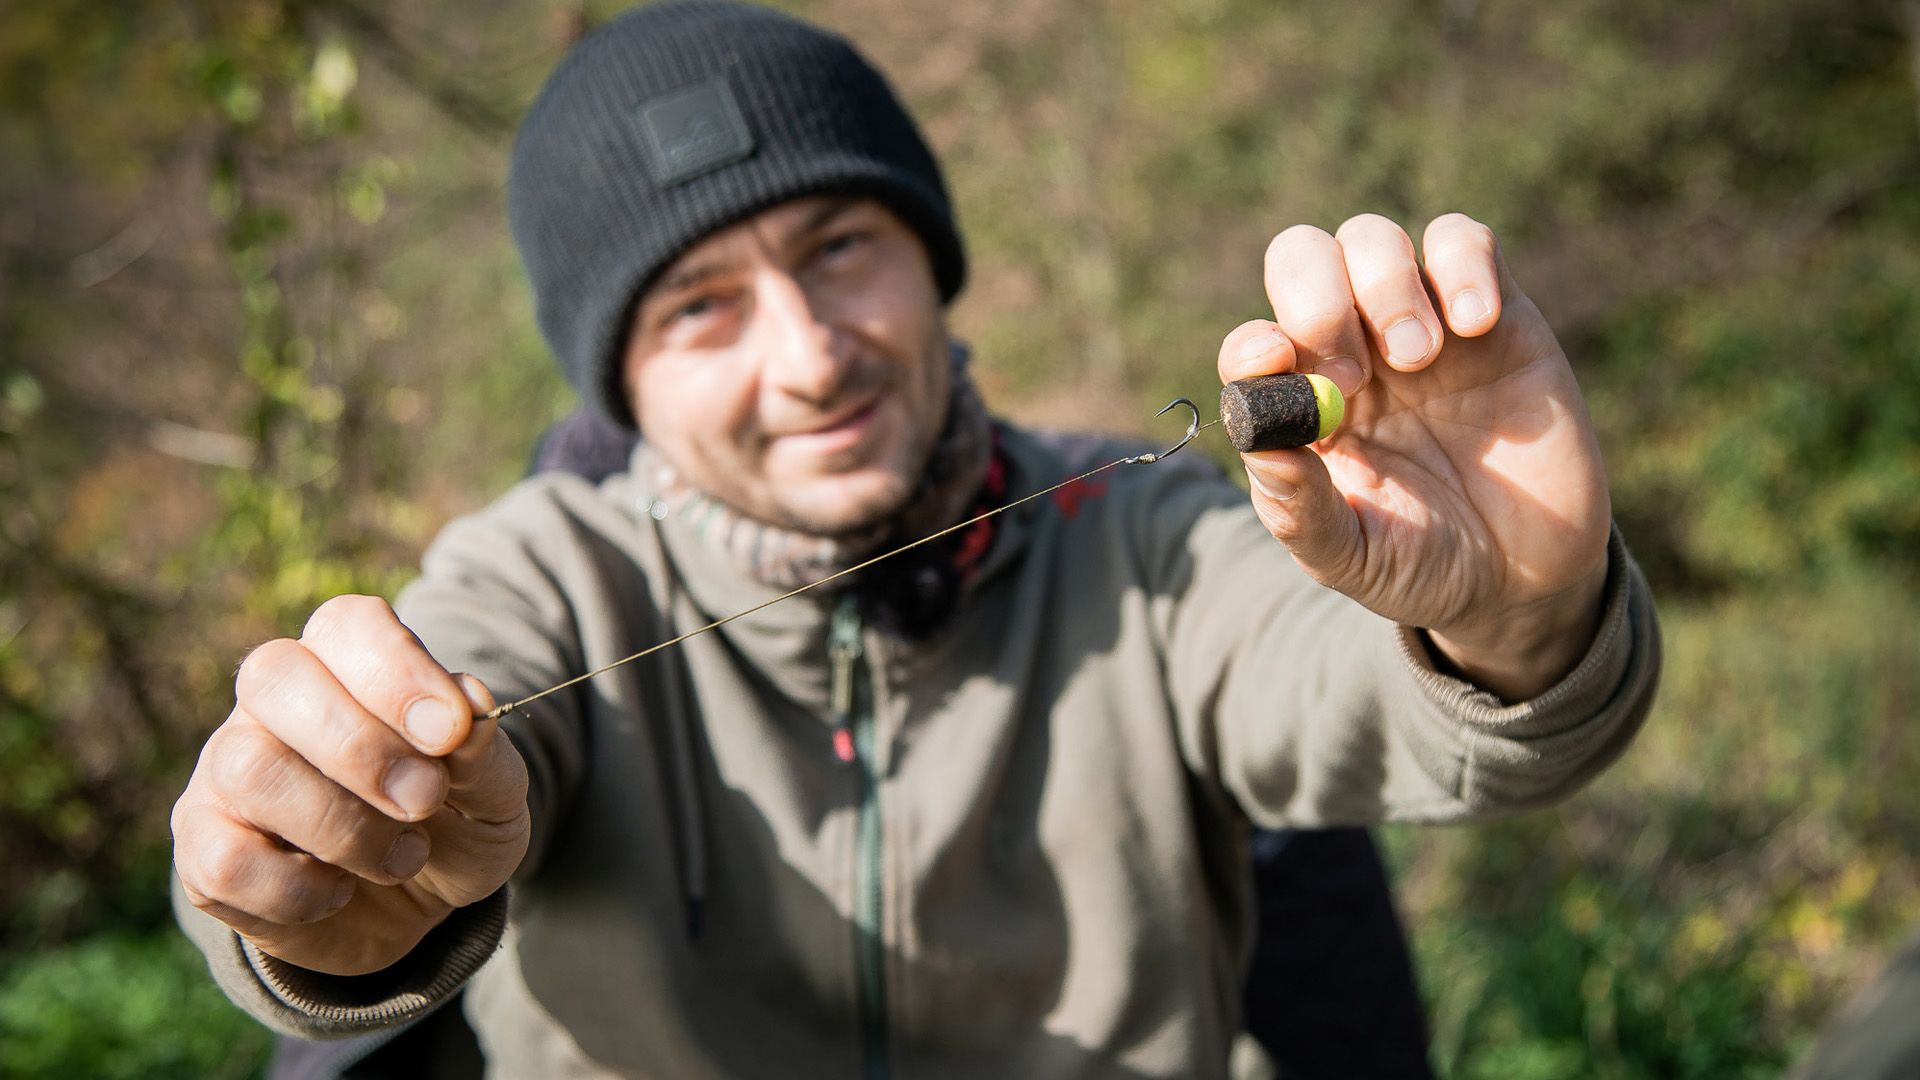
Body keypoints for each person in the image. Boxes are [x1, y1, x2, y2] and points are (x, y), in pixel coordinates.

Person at [170, 2, 1662, 1076]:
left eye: (839, 250)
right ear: (617, 376)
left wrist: (1520, 613)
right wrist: (333, 881)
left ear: (931, 264)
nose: (811, 355)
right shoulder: (538, 580)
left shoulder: (1140, 538)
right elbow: (414, 756)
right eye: (700, 307)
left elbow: (1338, 684)